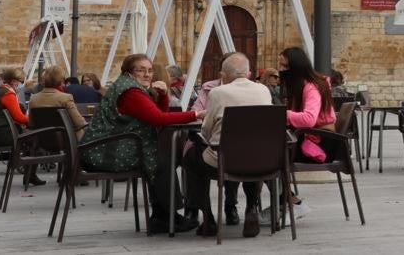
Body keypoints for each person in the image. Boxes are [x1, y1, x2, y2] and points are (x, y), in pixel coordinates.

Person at [81, 53, 204, 234]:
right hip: (106, 152)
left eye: (150, 70)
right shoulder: (131, 92)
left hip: (107, 147)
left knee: (159, 159)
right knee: (162, 162)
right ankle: (167, 217)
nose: (147, 74)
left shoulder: (129, 87)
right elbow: (159, 119)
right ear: (129, 72)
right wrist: (196, 114)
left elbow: (156, 114)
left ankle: (162, 216)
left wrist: (162, 95)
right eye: (141, 70)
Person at [183, 53, 270, 238]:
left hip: (223, 160)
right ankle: (251, 207)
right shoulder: (263, 90)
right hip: (259, 160)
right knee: (250, 155)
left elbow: (206, 130)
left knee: (190, 158)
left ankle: (208, 218)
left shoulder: (217, 93)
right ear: (248, 73)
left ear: (224, 74)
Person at [280, 46, 339, 164]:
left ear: (296, 67)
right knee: (268, 151)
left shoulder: (312, 87)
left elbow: (309, 119)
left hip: (320, 145)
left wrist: (283, 114)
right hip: (313, 139)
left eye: (284, 66)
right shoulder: (304, 86)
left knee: (270, 154)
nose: (281, 70)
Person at [0, 68, 30, 163]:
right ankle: (31, 170)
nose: (22, 85)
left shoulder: (1, 90)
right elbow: (19, 117)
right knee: (35, 136)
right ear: (13, 81)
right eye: (21, 81)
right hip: (2, 134)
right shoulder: (8, 94)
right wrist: (34, 121)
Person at [28, 65, 87, 138]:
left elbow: (31, 124)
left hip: (43, 141)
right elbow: (79, 123)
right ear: (61, 80)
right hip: (65, 141)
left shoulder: (33, 99)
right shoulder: (66, 98)